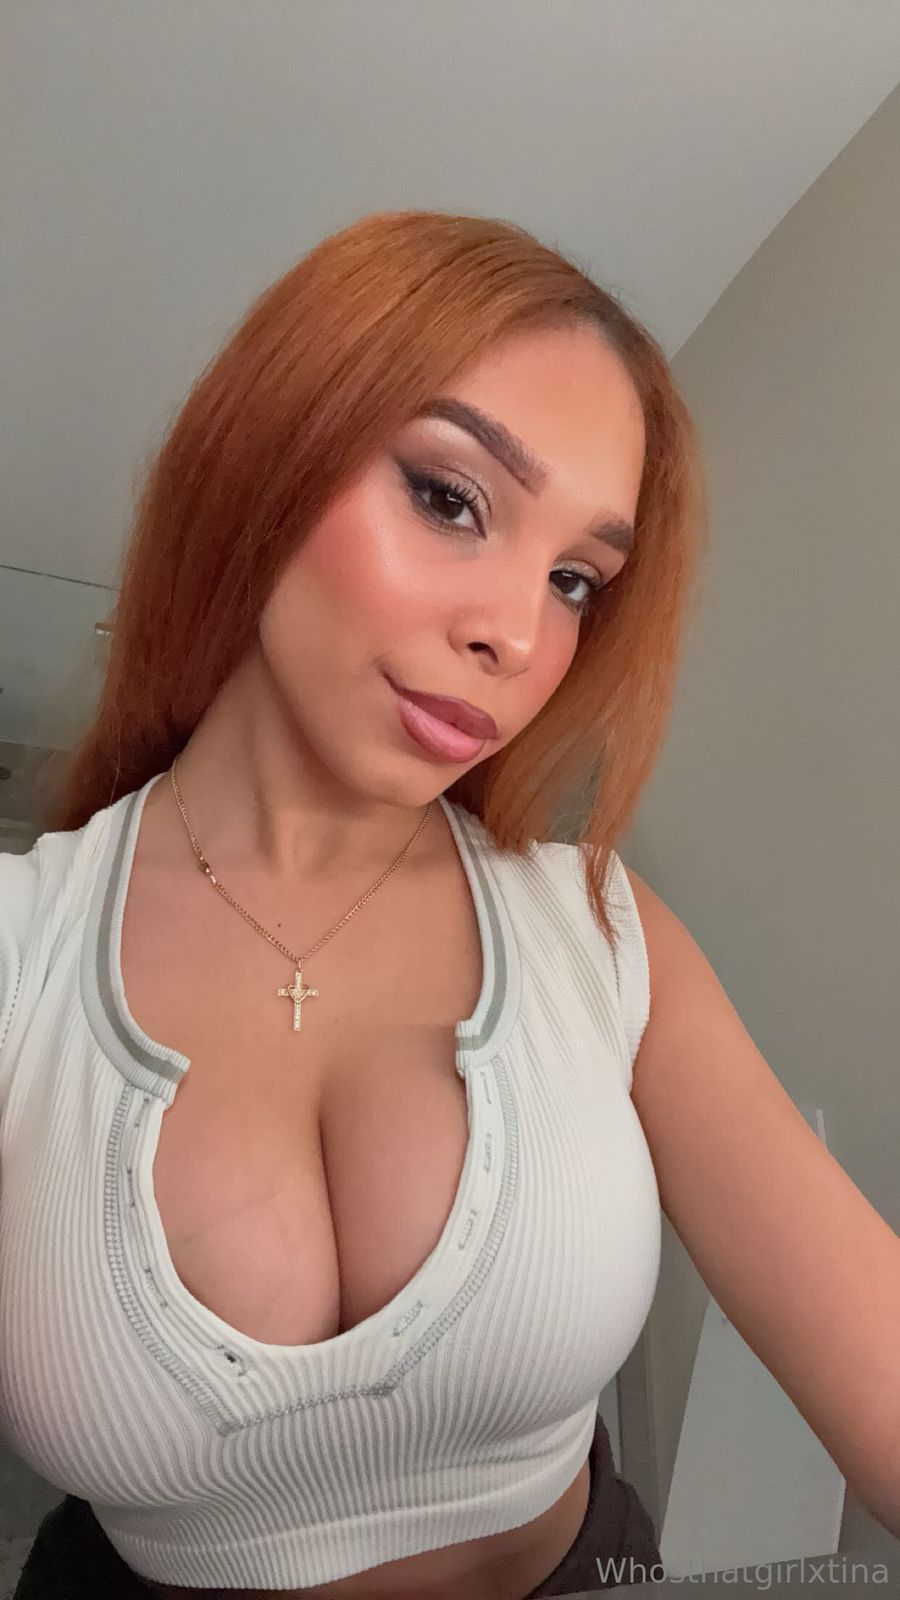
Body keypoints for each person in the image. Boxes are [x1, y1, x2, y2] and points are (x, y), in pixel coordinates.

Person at [2, 211, 897, 1600]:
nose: (518, 635)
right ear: (268, 451)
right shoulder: (24, 953)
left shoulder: (601, 935)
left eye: (575, 580)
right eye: (450, 498)